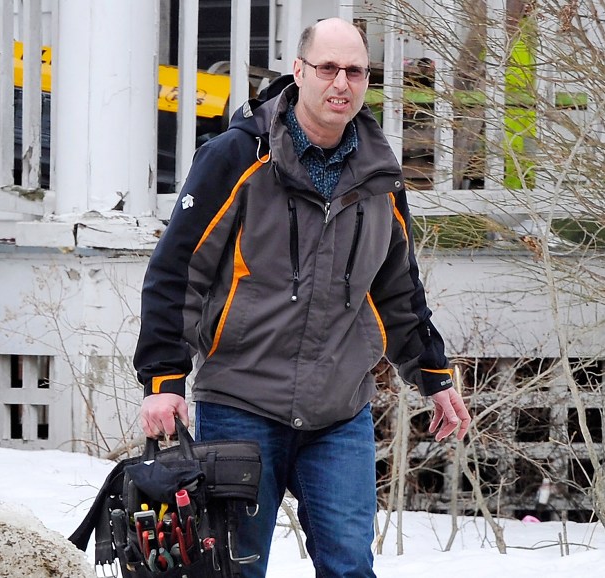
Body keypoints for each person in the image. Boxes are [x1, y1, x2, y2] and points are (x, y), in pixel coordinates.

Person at [134, 17, 471, 578]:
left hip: (339, 413)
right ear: (298, 71)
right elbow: (177, 271)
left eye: (355, 72)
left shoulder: (379, 175)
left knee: (349, 568)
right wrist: (163, 380)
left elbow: (397, 287)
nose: (341, 83)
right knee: (232, 569)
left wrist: (433, 375)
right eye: (328, 68)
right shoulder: (237, 157)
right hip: (241, 405)